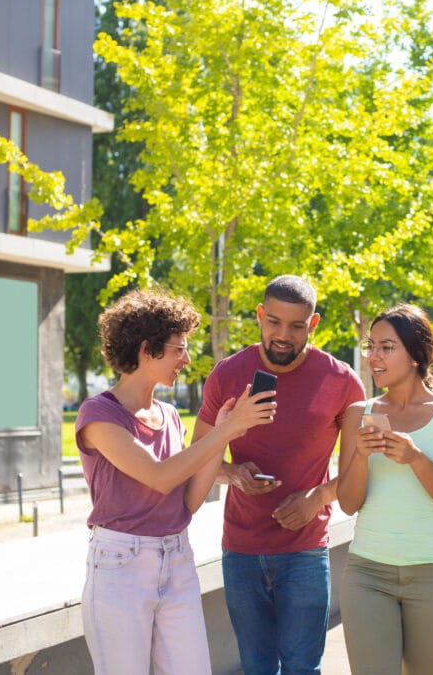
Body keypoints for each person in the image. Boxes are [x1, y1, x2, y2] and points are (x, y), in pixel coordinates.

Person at [76, 289, 276, 674]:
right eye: (178, 349)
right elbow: (158, 477)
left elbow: (188, 500)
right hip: (120, 565)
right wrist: (227, 429)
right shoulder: (98, 415)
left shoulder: (169, 415)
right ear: (147, 349)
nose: (186, 359)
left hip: (177, 557)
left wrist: (225, 433)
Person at [193, 275, 365, 675]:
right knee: (256, 668)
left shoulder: (341, 382)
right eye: (273, 322)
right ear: (259, 316)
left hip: (305, 550)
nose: (283, 335)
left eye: (296, 325)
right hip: (241, 548)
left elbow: (361, 470)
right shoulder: (228, 374)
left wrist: (317, 498)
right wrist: (234, 473)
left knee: (303, 668)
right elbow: (196, 459)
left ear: (314, 323)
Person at [336, 304, 433, 675]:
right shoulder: (357, 414)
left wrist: (416, 459)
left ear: (416, 355)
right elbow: (348, 504)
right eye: (371, 346)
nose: (373, 357)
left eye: (387, 347)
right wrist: (362, 457)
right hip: (368, 573)